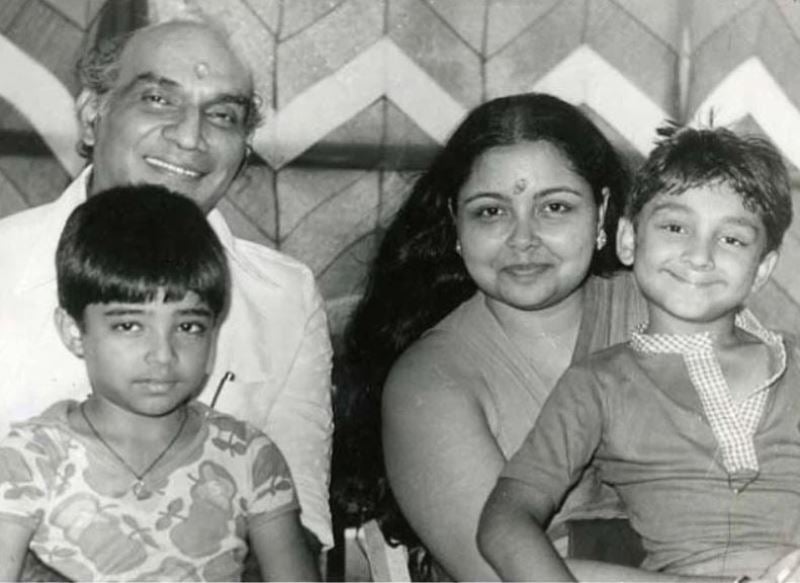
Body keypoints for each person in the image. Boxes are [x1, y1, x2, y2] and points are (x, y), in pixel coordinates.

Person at [0, 18, 333, 553]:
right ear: (92, 116)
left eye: (222, 114)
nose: (189, 136)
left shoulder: (283, 298)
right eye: (158, 98)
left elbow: (301, 527)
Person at [334, 93, 648, 580]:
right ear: (455, 222)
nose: (523, 239)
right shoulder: (430, 381)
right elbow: (502, 576)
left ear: (602, 209)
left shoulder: (666, 312)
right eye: (490, 212)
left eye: (555, 207)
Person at [478, 125, 800, 582]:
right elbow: (503, 520)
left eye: (731, 239)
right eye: (674, 227)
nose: (699, 255)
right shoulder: (597, 385)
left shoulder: (794, 364)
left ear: (763, 268)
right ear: (628, 240)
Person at [0, 185, 320, 581]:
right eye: (129, 325)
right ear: (73, 331)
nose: (163, 354)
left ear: (215, 330)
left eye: (188, 326)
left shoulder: (247, 455)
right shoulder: (29, 459)